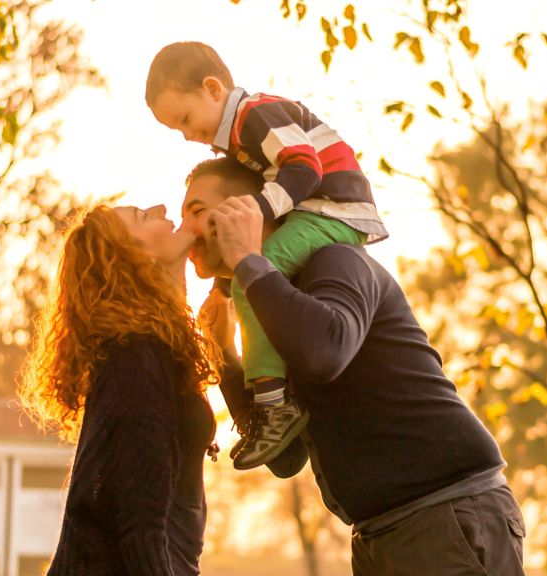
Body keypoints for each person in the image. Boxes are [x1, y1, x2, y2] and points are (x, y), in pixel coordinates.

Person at [183, 158, 527, 575]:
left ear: (251, 208)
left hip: (446, 512)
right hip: (378, 532)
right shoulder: (268, 305)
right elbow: (285, 456)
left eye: (197, 212)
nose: (186, 230)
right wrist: (225, 354)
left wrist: (248, 263)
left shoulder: (335, 260)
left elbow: (326, 351)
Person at [145, 41, 389, 470]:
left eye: (185, 119)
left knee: (253, 276)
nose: (186, 135)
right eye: (175, 130)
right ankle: (273, 409)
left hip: (334, 205)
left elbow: (304, 167)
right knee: (249, 281)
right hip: (374, 519)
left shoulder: (254, 114)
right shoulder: (238, 133)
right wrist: (221, 332)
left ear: (213, 88)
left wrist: (255, 212)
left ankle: (277, 408)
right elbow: (286, 462)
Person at [20, 204, 219, 575]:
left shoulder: (159, 349)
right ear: (134, 257)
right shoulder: (135, 362)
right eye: (143, 217)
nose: (161, 208)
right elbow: (139, 530)